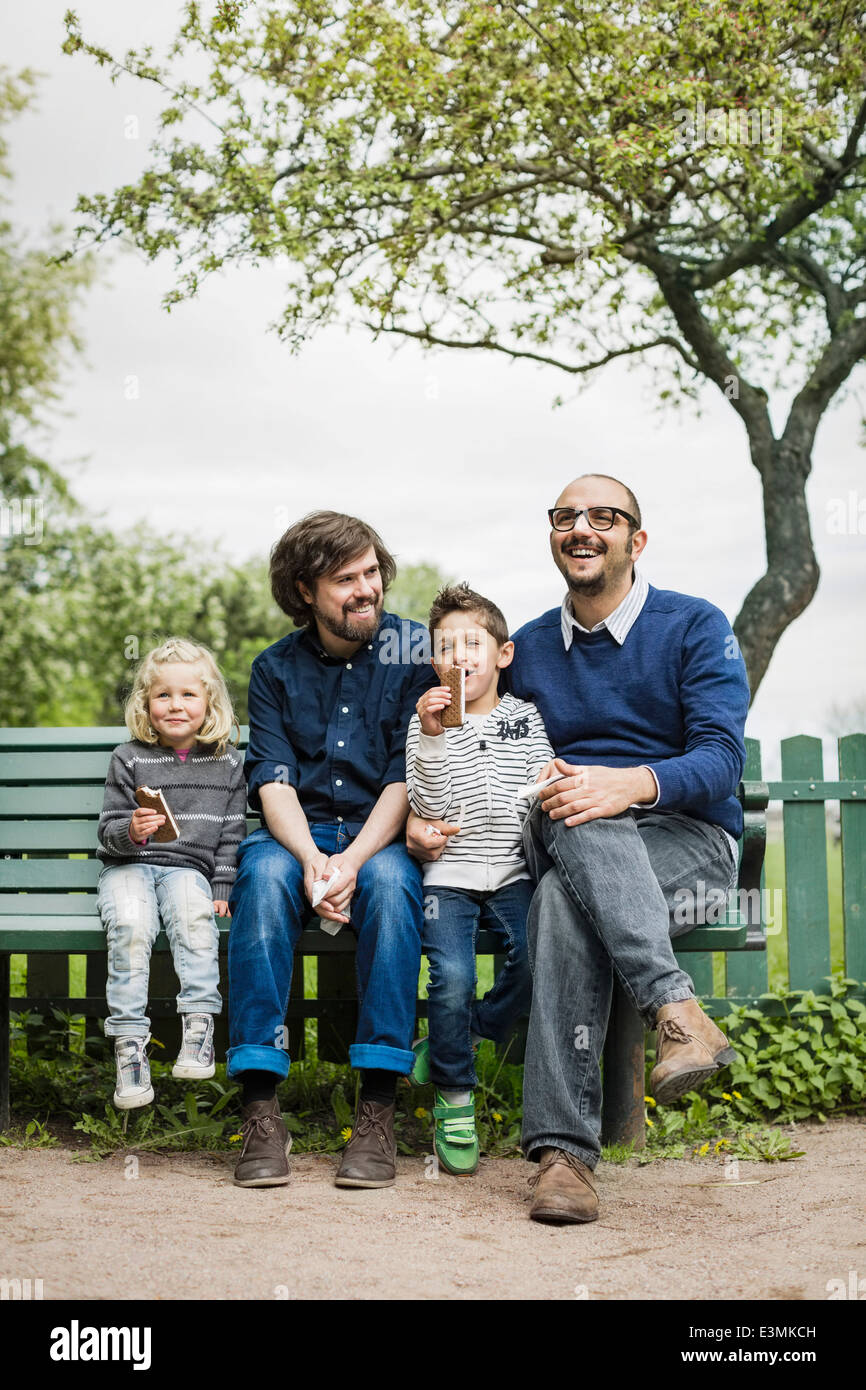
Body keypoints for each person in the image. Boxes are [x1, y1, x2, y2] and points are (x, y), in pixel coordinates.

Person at [407, 474, 749, 1224]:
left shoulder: (695, 626)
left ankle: (562, 1156)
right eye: (565, 516)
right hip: (563, 822)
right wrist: (412, 811)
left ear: (637, 538)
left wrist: (626, 785)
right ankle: (678, 1012)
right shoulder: (524, 646)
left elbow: (723, 760)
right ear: (554, 536)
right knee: (566, 792)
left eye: (603, 516)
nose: (582, 527)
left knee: (562, 898)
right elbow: (453, 718)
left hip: (686, 843)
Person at [227, 511, 435, 1190]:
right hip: (296, 833)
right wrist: (315, 859)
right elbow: (273, 777)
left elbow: (409, 773)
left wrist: (349, 862)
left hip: (379, 832)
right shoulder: (274, 669)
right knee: (259, 883)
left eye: (372, 572)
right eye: (346, 579)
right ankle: (260, 1107)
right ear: (304, 590)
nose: (365, 589)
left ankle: (376, 1111)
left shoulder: (414, 651)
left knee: (396, 891)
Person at [405, 583, 553, 1175]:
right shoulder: (428, 721)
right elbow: (427, 800)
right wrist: (436, 736)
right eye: (448, 646)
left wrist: (542, 786)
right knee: (453, 976)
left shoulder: (524, 718)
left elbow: (538, 782)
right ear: (435, 662)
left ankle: (459, 1039)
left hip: (514, 872)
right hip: (450, 874)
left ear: (503, 654)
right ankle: (455, 1096)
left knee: (535, 956)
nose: (462, 655)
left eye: (474, 642)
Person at [96, 637, 246, 1110]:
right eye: (163, 695)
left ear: (210, 703)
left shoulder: (226, 763)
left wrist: (222, 886)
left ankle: (199, 1028)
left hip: (187, 871)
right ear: (145, 704)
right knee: (131, 926)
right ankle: (129, 1048)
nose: (175, 705)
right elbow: (107, 832)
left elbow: (231, 833)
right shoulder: (129, 757)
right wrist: (132, 830)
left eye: (188, 695)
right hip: (129, 869)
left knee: (193, 919)